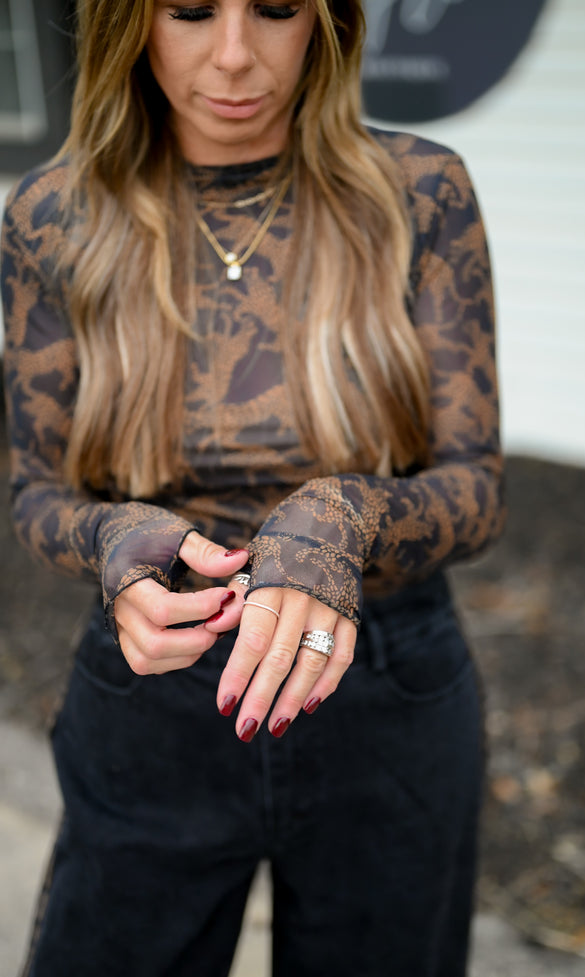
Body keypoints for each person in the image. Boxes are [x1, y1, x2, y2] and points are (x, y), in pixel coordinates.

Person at [1, 1, 505, 975]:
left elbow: (474, 485)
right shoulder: (54, 214)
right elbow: (31, 490)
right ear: (127, 24)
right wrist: (113, 539)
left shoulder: (419, 190)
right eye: (189, 11)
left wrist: (337, 516)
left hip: (381, 679)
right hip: (151, 687)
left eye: (274, 8)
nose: (234, 56)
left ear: (327, 22)